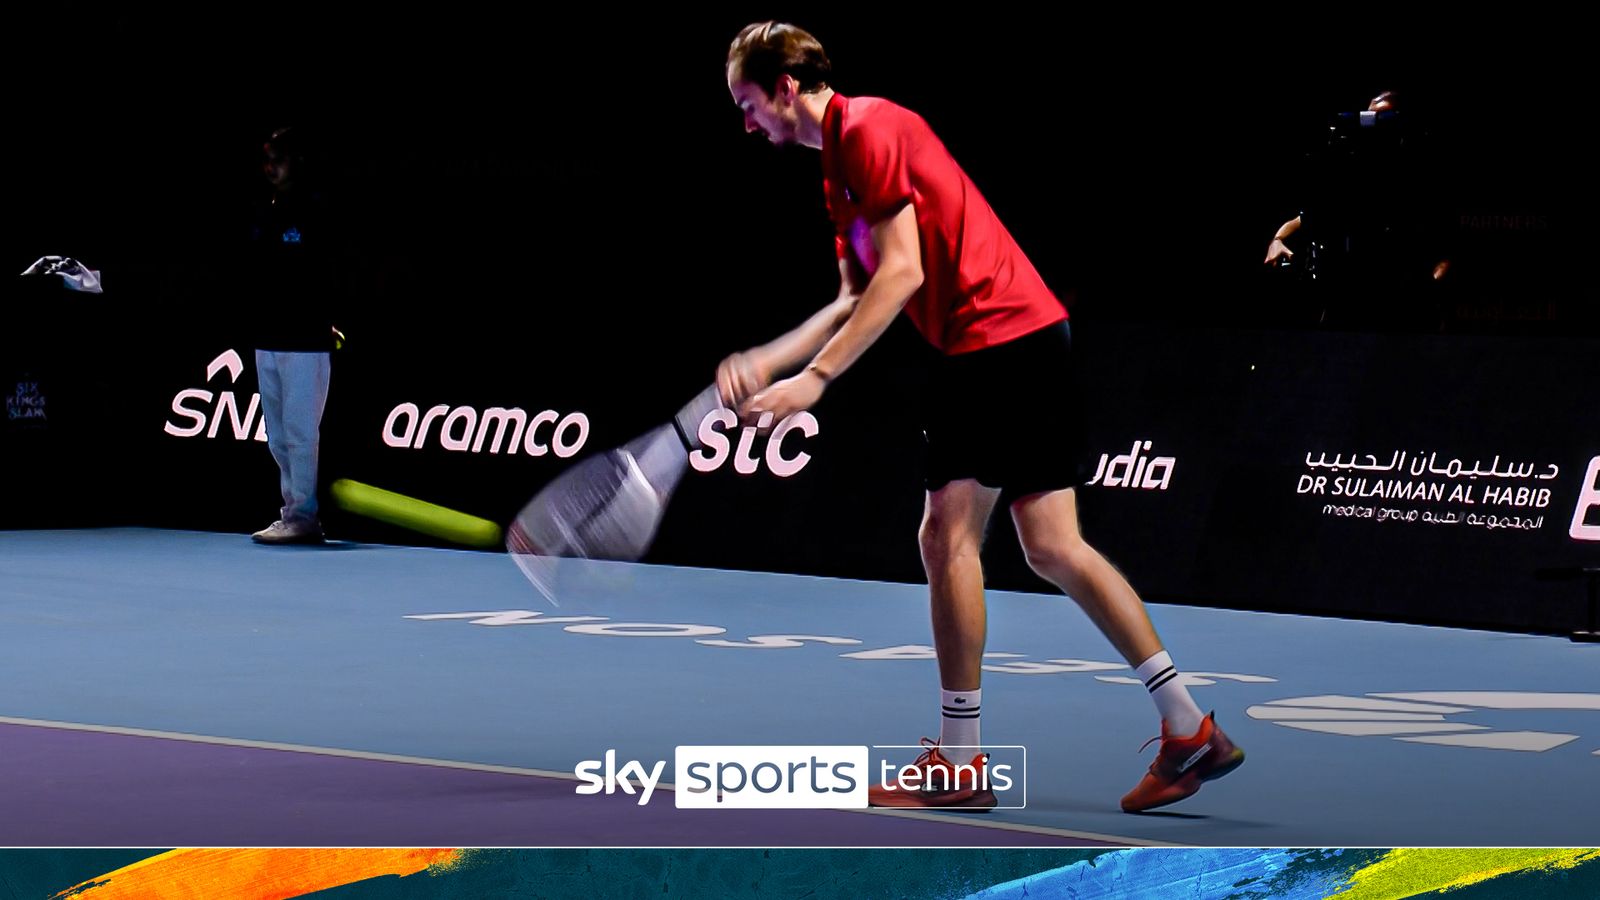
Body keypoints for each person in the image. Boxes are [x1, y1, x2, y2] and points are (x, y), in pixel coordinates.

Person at [720, 22, 1244, 813]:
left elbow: (903, 273)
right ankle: (1187, 725)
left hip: (990, 341)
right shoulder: (838, 167)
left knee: (947, 538)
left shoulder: (868, 129)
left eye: (747, 102)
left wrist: (818, 380)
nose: (747, 122)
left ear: (784, 88)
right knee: (1054, 546)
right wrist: (772, 359)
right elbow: (854, 296)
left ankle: (959, 762)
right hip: (1027, 333)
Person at [247, 126, 340, 544]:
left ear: (297, 161)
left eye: (278, 158)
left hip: (305, 342)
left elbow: (332, 275)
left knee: (301, 432)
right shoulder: (264, 210)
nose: (271, 167)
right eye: (266, 158)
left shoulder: (319, 211)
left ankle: (305, 516)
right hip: (267, 337)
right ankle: (292, 512)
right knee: (278, 435)